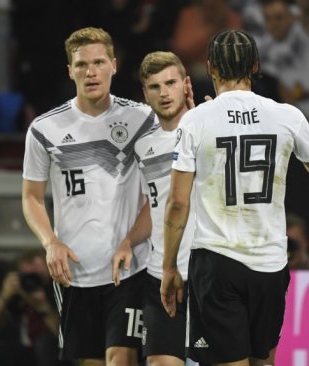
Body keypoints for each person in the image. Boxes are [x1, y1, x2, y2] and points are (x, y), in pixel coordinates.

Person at [161, 29, 309, 366]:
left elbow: (178, 203)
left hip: (217, 260)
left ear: (210, 67)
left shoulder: (196, 120)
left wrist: (169, 267)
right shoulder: (287, 116)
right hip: (270, 261)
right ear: (255, 65)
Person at [22, 27, 155, 366]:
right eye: (81, 65)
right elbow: (32, 198)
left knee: (120, 358)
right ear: (70, 71)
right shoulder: (44, 129)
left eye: (98, 63)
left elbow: (158, 196)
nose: (91, 72)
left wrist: (129, 241)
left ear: (113, 64)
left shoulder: (141, 120)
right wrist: (50, 242)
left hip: (129, 269)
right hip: (75, 273)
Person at [128, 51, 196, 366]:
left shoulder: (207, 133)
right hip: (160, 274)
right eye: (155, 87)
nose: (164, 93)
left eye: (170, 83)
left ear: (186, 84)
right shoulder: (143, 146)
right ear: (145, 93)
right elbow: (156, 207)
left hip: (204, 272)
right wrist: (127, 242)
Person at [0, 249, 71, 366]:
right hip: (27, 354)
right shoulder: (18, 295)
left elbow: (66, 339)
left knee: (44, 343)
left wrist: (43, 308)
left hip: (54, 355)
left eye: (38, 276)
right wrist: (4, 296)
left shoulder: (60, 293)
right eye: (27, 276)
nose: (32, 281)